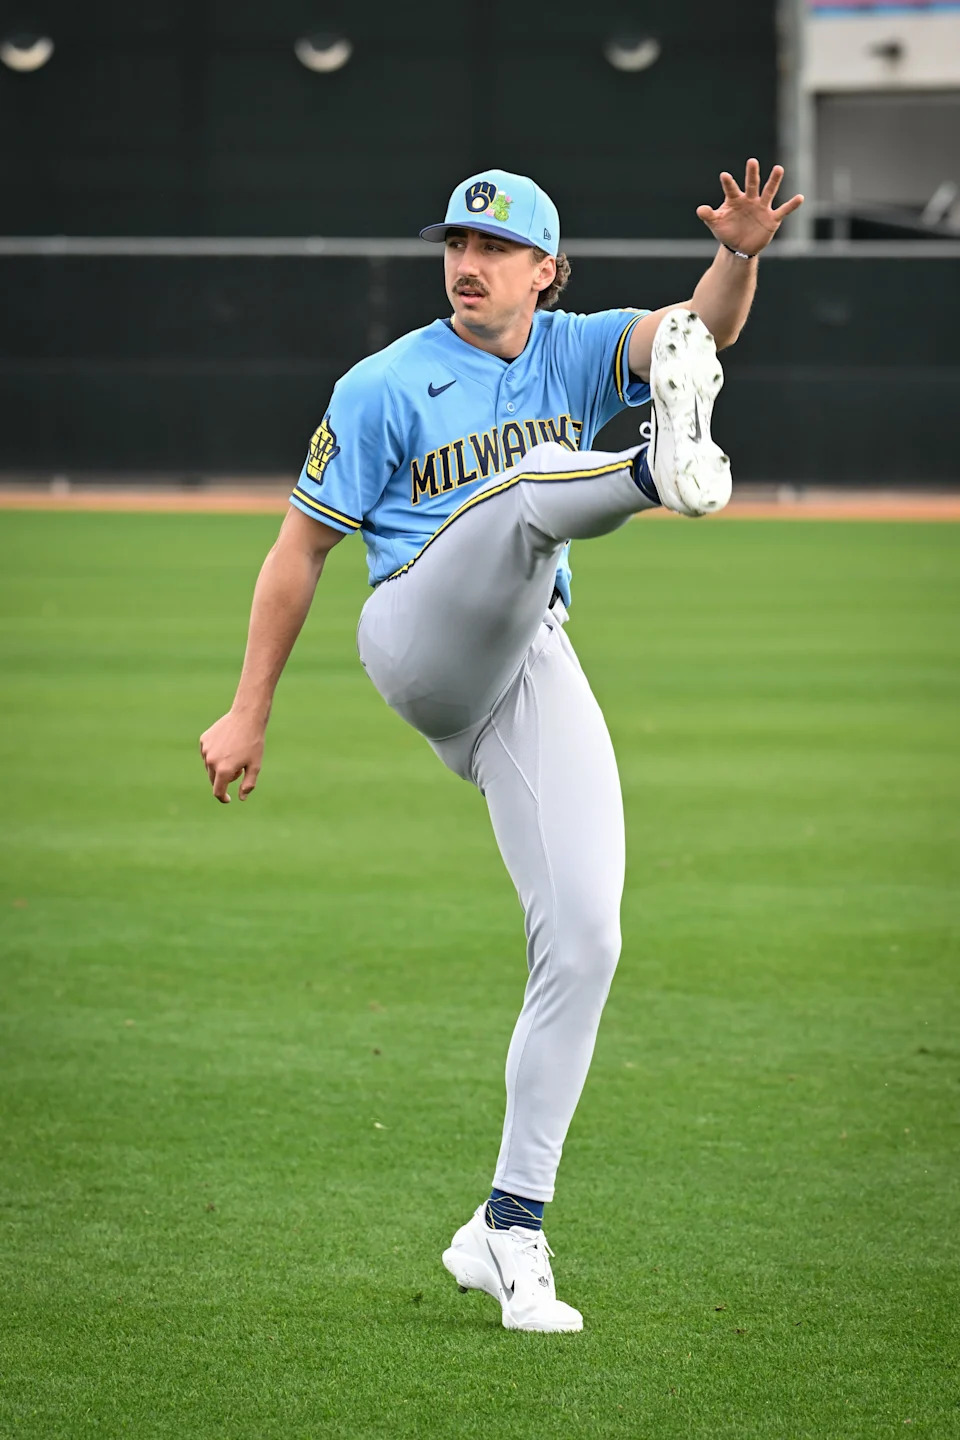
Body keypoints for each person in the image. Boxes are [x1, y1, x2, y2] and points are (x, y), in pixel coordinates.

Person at [200, 162, 803, 1333]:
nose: (466, 264)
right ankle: (657, 471)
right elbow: (298, 552)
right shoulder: (384, 384)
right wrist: (248, 707)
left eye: (493, 248)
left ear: (546, 271)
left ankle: (508, 1228)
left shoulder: (576, 349)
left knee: (586, 935)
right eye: (455, 245)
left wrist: (737, 256)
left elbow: (697, 336)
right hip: (418, 636)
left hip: (528, 653)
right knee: (526, 490)